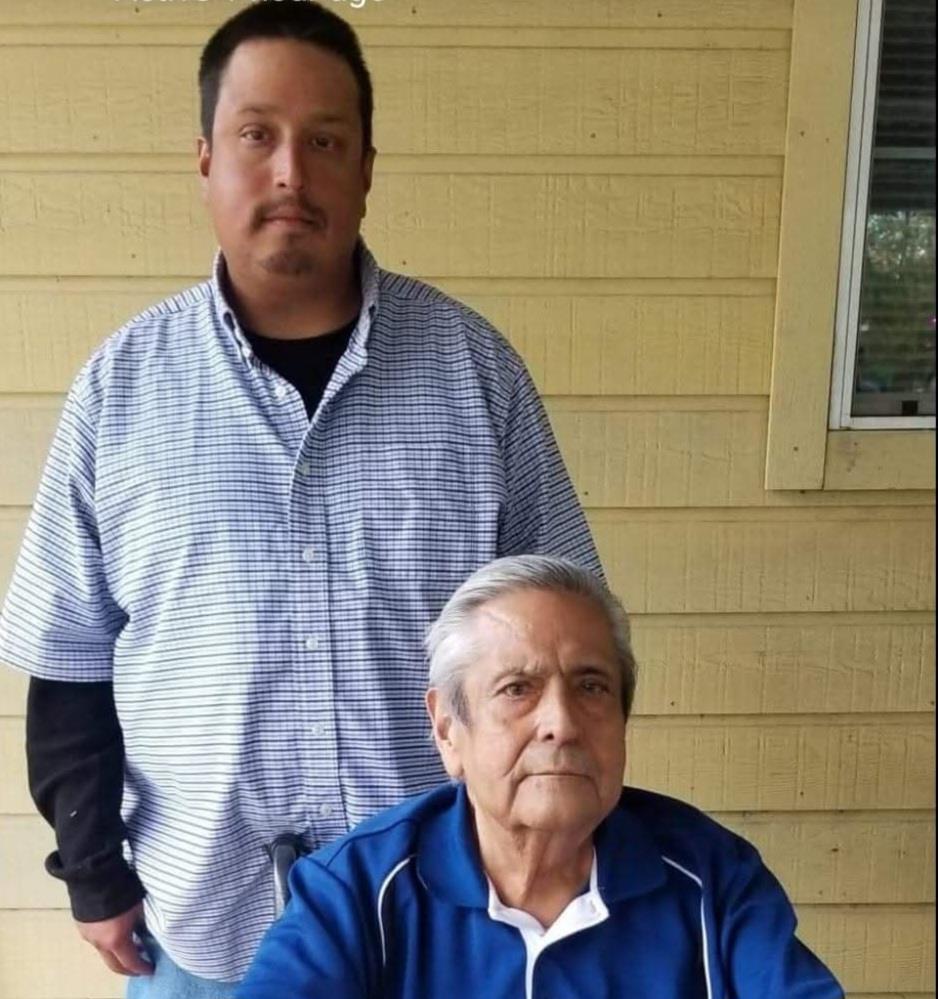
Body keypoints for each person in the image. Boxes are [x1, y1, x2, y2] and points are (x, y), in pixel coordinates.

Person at [0, 3, 599, 995]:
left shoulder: (472, 373)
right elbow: (71, 661)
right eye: (258, 135)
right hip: (200, 924)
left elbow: (566, 651)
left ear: (366, 165)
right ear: (205, 158)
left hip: (445, 913)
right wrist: (90, 873)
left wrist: (554, 842)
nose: (291, 172)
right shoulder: (120, 390)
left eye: (325, 140)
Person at [238, 555, 845, 999]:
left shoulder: (715, 879)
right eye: (517, 689)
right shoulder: (353, 890)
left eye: (591, 687)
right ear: (449, 729)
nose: (561, 722)